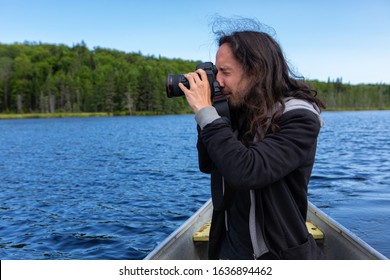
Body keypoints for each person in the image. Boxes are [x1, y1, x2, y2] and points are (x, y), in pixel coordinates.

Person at [179, 27, 326, 259]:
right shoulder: (239, 110)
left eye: (225, 72)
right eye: (216, 73)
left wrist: (207, 113)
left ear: (256, 71)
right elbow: (208, 164)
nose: (218, 82)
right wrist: (210, 113)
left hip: (276, 255)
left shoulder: (299, 117)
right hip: (229, 249)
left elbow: (248, 171)